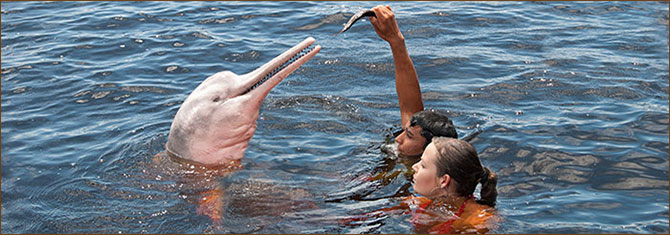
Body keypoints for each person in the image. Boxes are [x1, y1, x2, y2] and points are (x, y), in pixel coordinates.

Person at [342, 137, 498, 233]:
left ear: (444, 180)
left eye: (423, 165)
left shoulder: (478, 220)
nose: (414, 167)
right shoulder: (419, 203)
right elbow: (360, 219)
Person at [368, 5, 458, 158]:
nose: (398, 139)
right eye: (406, 132)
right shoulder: (418, 155)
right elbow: (409, 105)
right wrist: (395, 39)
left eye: (408, 135)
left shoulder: (425, 174)